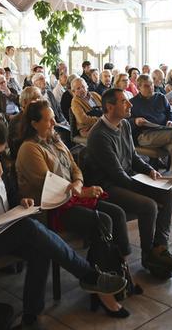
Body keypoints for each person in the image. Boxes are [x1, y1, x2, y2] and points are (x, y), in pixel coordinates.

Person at [0, 119, 127, 330]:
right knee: (31, 229)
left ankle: (32, 316)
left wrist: (19, 200)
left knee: (41, 246)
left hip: (3, 225)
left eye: (0, 153)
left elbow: (9, 189)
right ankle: (88, 275)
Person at [16, 101, 132, 318]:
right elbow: (48, 185)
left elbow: (75, 168)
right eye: (48, 119)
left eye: (53, 117)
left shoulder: (55, 140)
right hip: (50, 208)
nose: (54, 122)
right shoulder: (29, 148)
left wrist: (79, 186)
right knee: (101, 220)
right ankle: (101, 288)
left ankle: (117, 274)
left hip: (71, 199)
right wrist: (79, 192)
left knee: (116, 213)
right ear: (34, 123)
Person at [84, 88, 172, 279]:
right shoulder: (99, 135)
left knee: (167, 192)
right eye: (124, 101)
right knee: (148, 205)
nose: (130, 105)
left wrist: (149, 171)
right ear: (109, 107)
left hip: (127, 178)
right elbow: (116, 175)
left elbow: (133, 157)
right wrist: (145, 187)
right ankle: (148, 255)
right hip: (107, 187)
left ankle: (160, 248)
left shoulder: (124, 125)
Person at [8, 87, 42, 156]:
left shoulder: (38, 116)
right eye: (34, 99)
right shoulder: (17, 121)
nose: (38, 102)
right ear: (24, 102)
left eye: (39, 98)